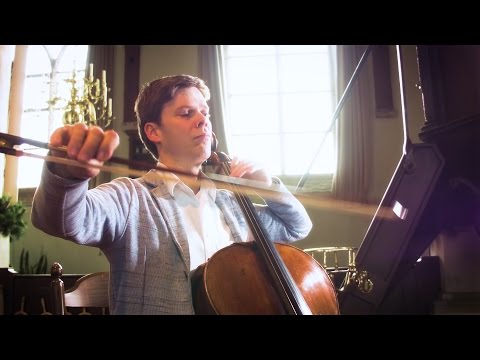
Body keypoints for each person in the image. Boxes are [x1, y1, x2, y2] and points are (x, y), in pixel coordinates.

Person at [31, 74, 313, 315]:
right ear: (154, 131)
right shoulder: (130, 198)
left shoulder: (231, 205)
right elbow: (64, 220)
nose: (203, 120)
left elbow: (296, 225)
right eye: (187, 113)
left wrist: (266, 184)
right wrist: (66, 177)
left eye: (205, 112)